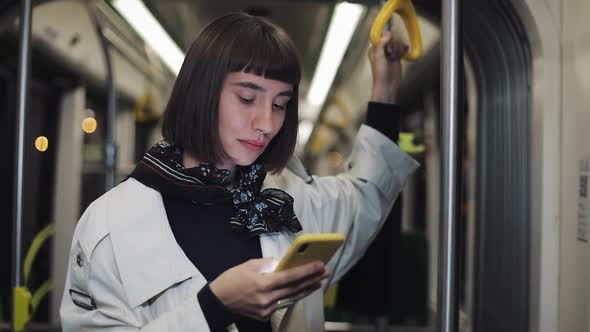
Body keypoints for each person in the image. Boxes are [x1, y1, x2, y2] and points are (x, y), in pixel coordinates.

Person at [60, 12, 418, 332]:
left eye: (280, 104)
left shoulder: (285, 201)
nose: (266, 123)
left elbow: (364, 195)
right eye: (247, 99)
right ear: (201, 93)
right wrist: (213, 308)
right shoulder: (110, 223)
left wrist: (385, 88)